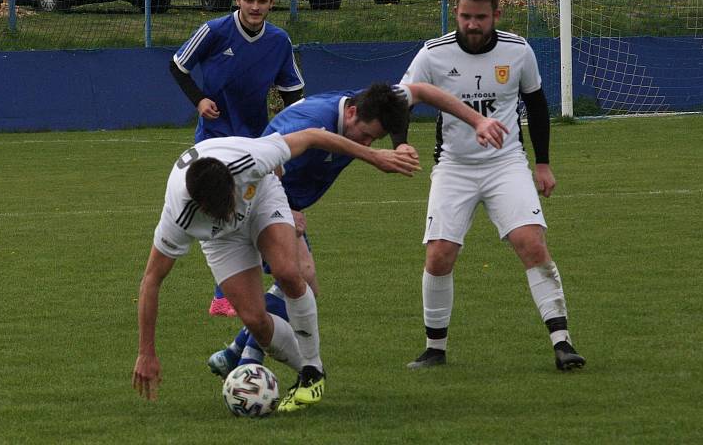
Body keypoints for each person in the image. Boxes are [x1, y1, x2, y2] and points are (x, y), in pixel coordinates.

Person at [206, 82, 507, 410]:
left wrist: (464, 125)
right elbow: (262, 162)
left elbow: (421, 90)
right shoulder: (310, 122)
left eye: (373, 140)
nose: (366, 143)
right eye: (365, 136)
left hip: (283, 203)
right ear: (350, 113)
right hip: (257, 202)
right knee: (300, 277)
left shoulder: (368, 102)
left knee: (302, 282)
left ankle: (236, 354)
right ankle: (246, 357)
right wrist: (286, 210)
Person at [132, 127, 421, 409]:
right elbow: (151, 280)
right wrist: (146, 352)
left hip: (261, 200)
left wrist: (375, 157)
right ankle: (308, 370)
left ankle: (312, 371)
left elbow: (312, 136)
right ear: (201, 207)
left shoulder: (248, 159)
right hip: (221, 240)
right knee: (255, 320)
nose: (232, 212)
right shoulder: (179, 216)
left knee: (288, 273)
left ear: (233, 181)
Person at [400, 0, 586, 371]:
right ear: (456, 11)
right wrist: (400, 142)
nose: (471, 24)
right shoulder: (433, 54)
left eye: (480, 17)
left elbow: (536, 107)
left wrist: (542, 163)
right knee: (439, 255)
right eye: (465, 15)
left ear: (496, 14)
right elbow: (403, 99)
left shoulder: (518, 51)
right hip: (454, 166)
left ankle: (562, 342)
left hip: (506, 165)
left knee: (531, 244)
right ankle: (435, 348)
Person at [169, 0, 305, 317]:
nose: (255, 7)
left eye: (262, 1)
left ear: (272, 3)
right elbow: (178, 66)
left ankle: (276, 280)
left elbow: (294, 94)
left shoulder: (278, 42)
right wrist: (199, 100)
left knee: (258, 208)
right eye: (249, 0)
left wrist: (286, 139)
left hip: (257, 141)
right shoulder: (215, 31)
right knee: (225, 210)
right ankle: (226, 294)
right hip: (214, 140)